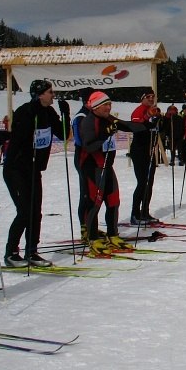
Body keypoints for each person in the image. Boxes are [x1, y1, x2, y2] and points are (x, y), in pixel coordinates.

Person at [3, 79, 70, 267]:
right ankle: (11, 253)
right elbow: (18, 139)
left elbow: (63, 134)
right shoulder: (26, 111)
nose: (53, 95)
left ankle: (31, 251)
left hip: (34, 170)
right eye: (50, 92)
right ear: (40, 95)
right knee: (24, 212)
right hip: (16, 169)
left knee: (35, 213)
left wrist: (65, 115)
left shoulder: (49, 112)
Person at [79, 92, 146, 254]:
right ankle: (92, 238)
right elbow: (89, 145)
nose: (109, 108)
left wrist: (148, 126)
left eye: (110, 104)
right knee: (94, 203)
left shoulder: (108, 118)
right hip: (92, 167)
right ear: (96, 106)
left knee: (113, 201)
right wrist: (105, 135)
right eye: (105, 105)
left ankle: (112, 234)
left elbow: (127, 125)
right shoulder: (88, 121)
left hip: (107, 166)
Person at [129, 88, 161, 224]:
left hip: (149, 150)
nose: (151, 99)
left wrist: (159, 119)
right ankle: (135, 214)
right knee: (142, 182)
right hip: (139, 150)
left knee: (149, 182)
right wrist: (148, 117)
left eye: (152, 96)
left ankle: (145, 212)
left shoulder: (152, 110)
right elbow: (137, 128)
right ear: (142, 98)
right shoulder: (139, 111)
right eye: (148, 96)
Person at [71, 87, 94, 238]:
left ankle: (91, 225)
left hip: (93, 158)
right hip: (83, 157)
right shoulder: (81, 116)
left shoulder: (92, 114)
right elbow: (80, 140)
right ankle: (85, 228)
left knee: (93, 194)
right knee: (86, 193)